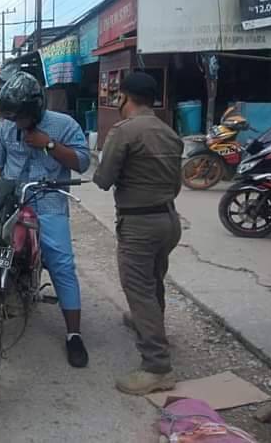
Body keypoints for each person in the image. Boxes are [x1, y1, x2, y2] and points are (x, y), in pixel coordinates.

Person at [0, 71, 90, 368]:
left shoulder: (63, 125)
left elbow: (82, 162)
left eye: (19, 118)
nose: (14, 123)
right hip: (10, 199)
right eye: (11, 117)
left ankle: (73, 335)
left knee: (61, 261)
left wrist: (49, 144)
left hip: (48, 203)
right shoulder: (5, 127)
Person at [93, 71, 183, 396]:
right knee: (153, 280)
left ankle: (157, 367)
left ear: (124, 98)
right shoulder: (169, 132)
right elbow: (176, 183)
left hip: (140, 224)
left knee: (139, 289)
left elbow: (103, 179)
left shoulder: (124, 131)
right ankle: (151, 327)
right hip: (169, 220)